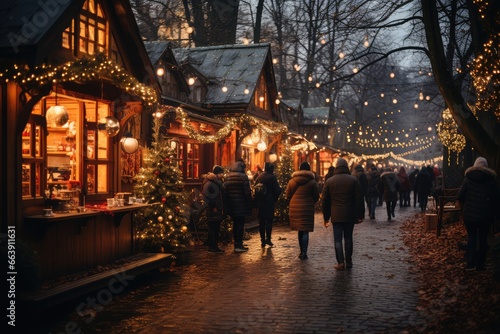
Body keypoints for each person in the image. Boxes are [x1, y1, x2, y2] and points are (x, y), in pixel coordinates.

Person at [322, 158, 365, 270]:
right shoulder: (353, 180)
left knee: (337, 240)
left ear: (336, 167)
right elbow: (359, 198)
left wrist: (326, 217)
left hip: (336, 215)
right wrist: (360, 215)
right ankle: (349, 261)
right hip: (349, 214)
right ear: (346, 166)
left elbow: (325, 201)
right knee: (348, 238)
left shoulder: (329, 181)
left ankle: (340, 262)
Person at [458, 157, 499, 271]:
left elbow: (460, 195)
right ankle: (480, 264)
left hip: (469, 215)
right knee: (483, 239)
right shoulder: (491, 181)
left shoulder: (468, 179)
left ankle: (470, 263)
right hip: (485, 215)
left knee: (471, 238)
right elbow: (496, 199)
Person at [285, 162, 320, 260]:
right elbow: (316, 196)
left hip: (295, 207)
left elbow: (287, 195)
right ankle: (304, 252)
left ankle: (301, 251)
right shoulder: (312, 182)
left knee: (300, 230)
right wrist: (310, 201)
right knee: (305, 231)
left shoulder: (292, 181)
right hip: (307, 208)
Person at [223, 158, 253, 253]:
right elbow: (247, 192)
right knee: (240, 224)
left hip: (231, 204)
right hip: (241, 205)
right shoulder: (243, 177)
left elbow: (224, 190)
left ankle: (236, 243)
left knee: (235, 224)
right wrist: (250, 204)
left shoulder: (228, 176)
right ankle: (238, 244)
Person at [254, 162, 282, 248]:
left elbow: (255, 188)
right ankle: (268, 239)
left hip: (261, 202)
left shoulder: (259, 177)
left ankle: (262, 240)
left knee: (261, 221)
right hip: (269, 202)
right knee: (269, 221)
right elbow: (277, 190)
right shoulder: (272, 177)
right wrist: (275, 197)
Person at [201, 165, 226, 253]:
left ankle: (214, 245)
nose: (222, 175)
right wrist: (213, 206)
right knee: (213, 228)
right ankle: (212, 246)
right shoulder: (210, 183)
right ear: (217, 174)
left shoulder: (215, 182)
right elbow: (208, 196)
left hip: (217, 209)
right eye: (221, 173)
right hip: (213, 209)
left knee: (215, 228)